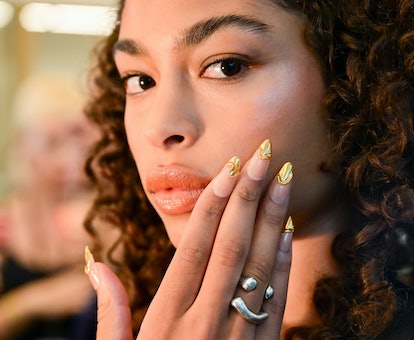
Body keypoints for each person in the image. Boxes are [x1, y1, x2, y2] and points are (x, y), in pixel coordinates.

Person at [83, 0, 414, 339]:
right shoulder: (121, 318)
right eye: (140, 80)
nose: (159, 127)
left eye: (227, 67)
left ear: (358, 81)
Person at [0, 73, 98, 340]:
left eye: (75, 141)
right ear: (22, 146)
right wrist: (38, 300)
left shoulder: (99, 217)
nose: (67, 157)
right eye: (51, 143)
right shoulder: (5, 227)